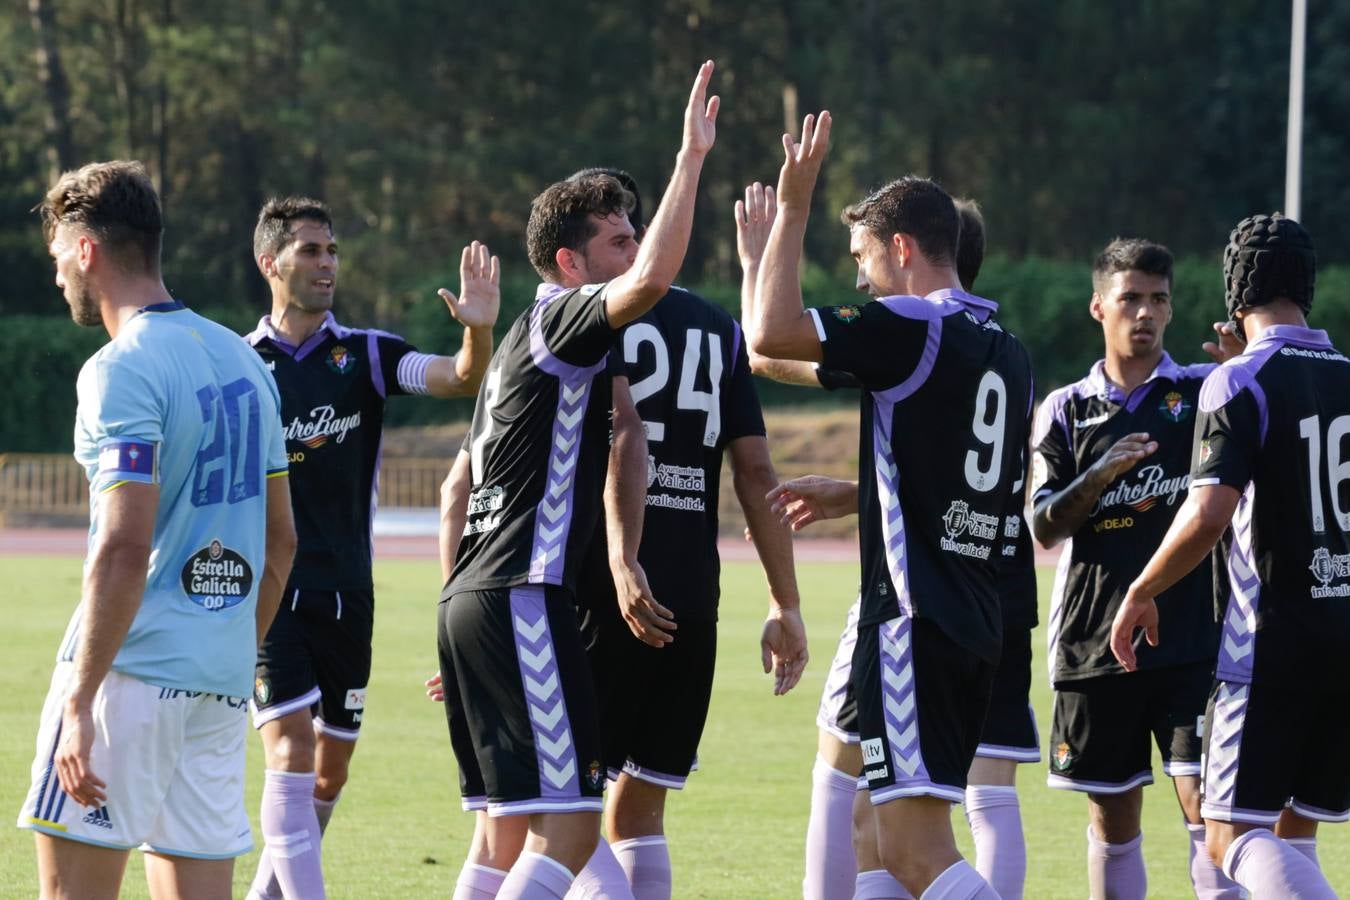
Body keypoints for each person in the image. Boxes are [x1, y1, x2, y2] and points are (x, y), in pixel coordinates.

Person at [436, 61, 721, 900]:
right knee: (565, 828)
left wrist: (625, 553)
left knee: (515, 828)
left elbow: (624, 430)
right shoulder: (562, 320)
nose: (633, 250)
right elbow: (653, 283)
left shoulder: (541, 345)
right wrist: (691, 159)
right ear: (569, 262)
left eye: (635, 232)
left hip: (476, 597)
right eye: (617, 239)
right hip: (524, 593)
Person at [750, 111, 1033, 898]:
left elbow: (768, 330)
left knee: (912, 851)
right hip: (972, 619)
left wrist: (796, 205)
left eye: (863, 259)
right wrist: (857, 496)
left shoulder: (910, 324)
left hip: (914, 620)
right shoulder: (1004, 350)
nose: (860, 280)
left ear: (901, 249)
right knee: (871, 836)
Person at [18, 160, 296, 900]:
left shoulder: (121, 368)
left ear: (86, 251)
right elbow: (282, 542)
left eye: (57, 261)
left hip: (128, 679)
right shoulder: (247, 362)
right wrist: (231, 653)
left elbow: (122, 545)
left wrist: (80, 700)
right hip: (219, 682)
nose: (57, 282)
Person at [243, 196, 499, 900]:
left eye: (332, 251)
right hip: (272, 589)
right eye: (310, 251)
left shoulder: (369, 355)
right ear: (271, 263)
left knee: (330, 773)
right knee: (290, 753)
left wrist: (477, 332)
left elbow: (459, 377)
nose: (327, 264)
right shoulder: (240, 364)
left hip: (351, 591)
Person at [573, 168, 809, 900]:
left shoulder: (584, 318)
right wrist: (784, 602)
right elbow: (756, 471)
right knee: (643, 805)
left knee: (563, 810)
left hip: (599, 583)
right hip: (691, 595)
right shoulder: (718, 326)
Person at [1110, 213, 1346, 899]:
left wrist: (1142, 588)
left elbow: (1210, 511)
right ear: (1309, 286)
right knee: (1292, 832)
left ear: (1233, 292)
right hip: (1342, 634)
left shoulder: (1238, 382)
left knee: (1230, 838)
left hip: (1269, 648)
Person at [1029, 238, 1244, 899]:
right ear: (1100, 307)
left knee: (1208, 811)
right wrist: (1099, 474)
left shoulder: (1202, 393)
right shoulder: (1066, 409)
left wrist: (1247, 380)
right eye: (1130, 299)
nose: (1145, 313)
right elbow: (1042, 525)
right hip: (1095, 647)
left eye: (1158, 299)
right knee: (1113, 815)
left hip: (1193, 640)